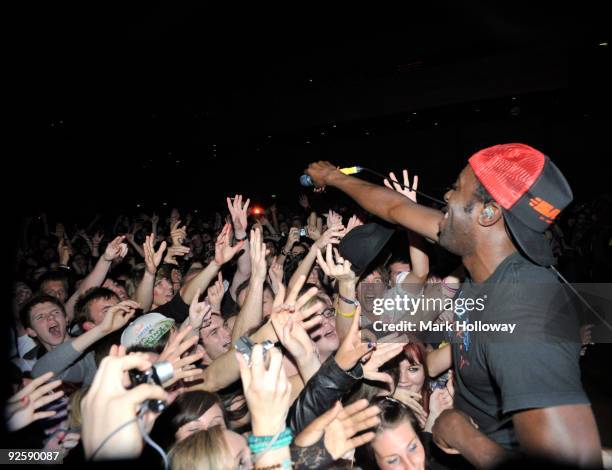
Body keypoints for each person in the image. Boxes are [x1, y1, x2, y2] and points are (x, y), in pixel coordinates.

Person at [305, 143, 602, 467]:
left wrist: (459, 432)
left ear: (488, 213)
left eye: (457, 188)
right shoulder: (482, 251)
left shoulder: (523, 311)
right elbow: (394, 209)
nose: (446, 196)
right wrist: (333, 177)